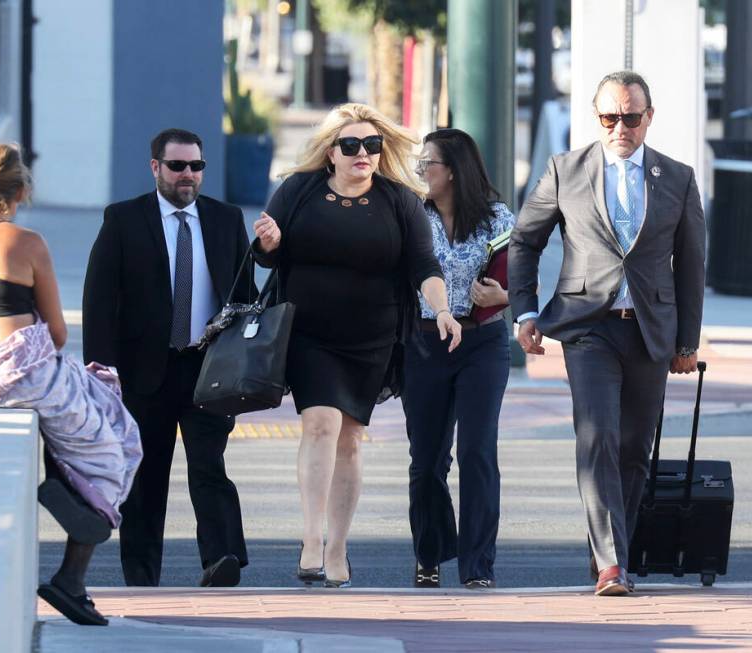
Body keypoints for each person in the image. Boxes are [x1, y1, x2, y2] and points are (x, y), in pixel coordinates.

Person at [0, 143, 143, 626]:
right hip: (28, 377)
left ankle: (64, 477)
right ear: (22, 188)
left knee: (77, 412)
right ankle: (71, 577)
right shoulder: (26, 242)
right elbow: (58, 334)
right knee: (116, 439)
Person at [508, 71, 705, 596]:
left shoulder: (678, 178)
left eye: (630, 116)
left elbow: (691, 264)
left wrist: (687, 342)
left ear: (649, 116)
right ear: (596, 118)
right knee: (597, 439)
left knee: (634, 450)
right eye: (609, 117)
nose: (620, 126)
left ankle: (607, 551)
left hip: (648, 331)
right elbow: (524, 242)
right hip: (586, 328)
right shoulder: (564, 170)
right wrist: (524, 312)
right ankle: (612, 565)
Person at [253, 103, 462, 588]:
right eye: (351, 145)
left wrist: (444, 309)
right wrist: (268, 241)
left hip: (372, 337)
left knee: (350, 440)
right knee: (321, 425)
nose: (363, 153)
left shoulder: (399, 201)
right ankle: (310, 538)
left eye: (372, 145)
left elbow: (423, 266)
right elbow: (267, 257)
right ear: (331, 152)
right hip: (308, 333)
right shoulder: (298, 191)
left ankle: (338, 545)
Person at [82, 128, 256, 588]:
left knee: (209, 464)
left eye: (196, 166)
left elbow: (244, 297)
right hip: (145, 371)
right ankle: (141, 576)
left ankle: (222, 558)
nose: (188, 175)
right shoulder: (123, 220)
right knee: (146, 477)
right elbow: (99, 300)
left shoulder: (225, 219)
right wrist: (101, 372)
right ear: (155, 167)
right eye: (178, 166)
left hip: (207, 369)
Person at [403, 128, 515, 590]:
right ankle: (429, 555)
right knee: (427, 460)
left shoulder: (496, 218)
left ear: (452, 171)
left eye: (426, 163)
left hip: (482, 343)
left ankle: (477, 567)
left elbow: (516, 285)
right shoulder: (411, 213)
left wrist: (503, 296)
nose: (420, 171)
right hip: (424, 344)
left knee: (477, 452)